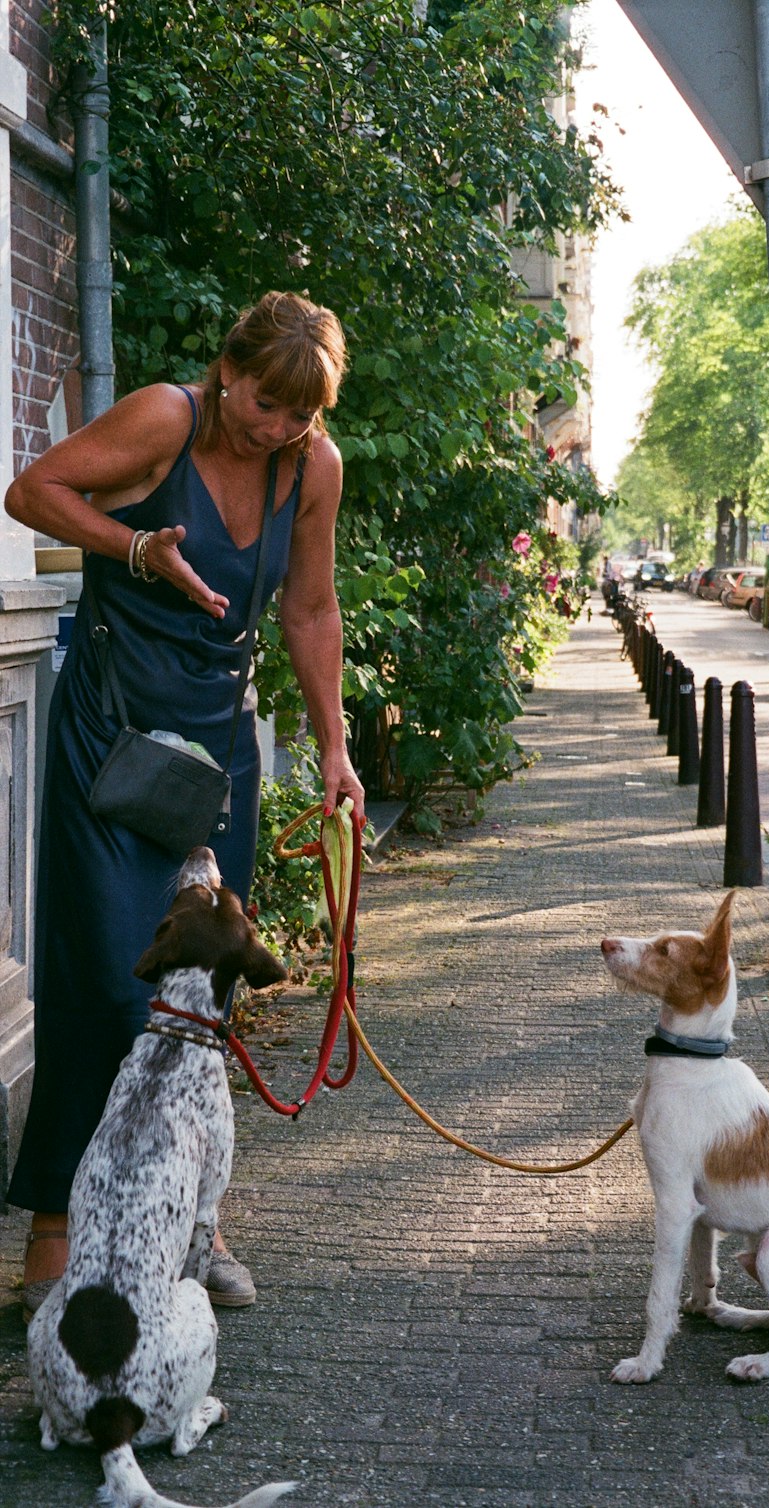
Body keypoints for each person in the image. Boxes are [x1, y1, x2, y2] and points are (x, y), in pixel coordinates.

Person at [5, 290, 365, 1314]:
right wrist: (133, 549)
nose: (275, 426)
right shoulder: (165, 417)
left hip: (214, 753)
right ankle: (56, 1228)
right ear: (227, 370)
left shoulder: (313, 468)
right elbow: (31, 491)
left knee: (206, 995)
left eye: (298, 413)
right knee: (107, 989)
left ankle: (197, 1221)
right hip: (109, 742)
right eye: (264, 402)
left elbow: (309, 605)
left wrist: (335, 748)